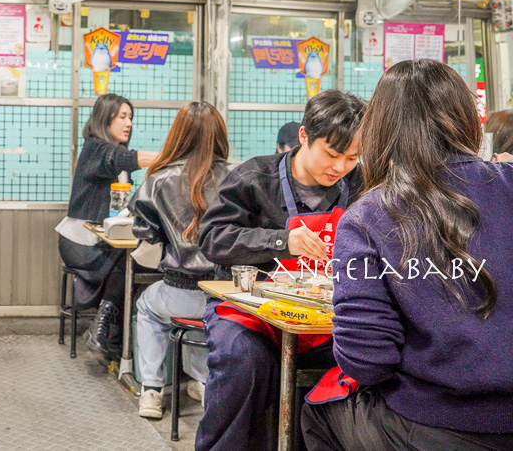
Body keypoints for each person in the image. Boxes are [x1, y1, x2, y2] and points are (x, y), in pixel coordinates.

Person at [302, 60, 513, 450]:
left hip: (435, 422)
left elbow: (366, 359)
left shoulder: (368, 216)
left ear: (379, 128)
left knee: (317, 410)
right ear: (467, 117)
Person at [195, 89, 365, 451]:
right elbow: (212, 238)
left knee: (367, 363)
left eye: (352, 157)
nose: (340, 168)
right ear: (304, 136)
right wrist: (280, 241)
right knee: (244, 364)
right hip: (247, 311)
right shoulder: (254, 177)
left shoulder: (362, 184)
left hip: (326, 316)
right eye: (332, 154)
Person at [129, 101, 230, 419]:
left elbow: (145, 235)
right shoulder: (237, 177)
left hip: (178, 291)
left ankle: (152, 391)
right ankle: (202, 381)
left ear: (178, 135)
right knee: (203, 320)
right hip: (225, 296)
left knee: (146, 306)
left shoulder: (158, 180)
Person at [56, 93, 158, 359]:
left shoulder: (116, 153)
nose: (129, 123)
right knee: (130, 262)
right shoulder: (95, 148)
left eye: (131, 118)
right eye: (122, 117)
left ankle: (108, 330)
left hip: (102, 239)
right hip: (78, 241)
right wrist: (169, 157)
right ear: (105, 118)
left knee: (135, 259)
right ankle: (103, 328)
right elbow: (121, 159)